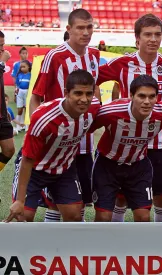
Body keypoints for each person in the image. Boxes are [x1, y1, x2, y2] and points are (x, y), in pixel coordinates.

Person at [97, 14, 162, 223]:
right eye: (147, 34)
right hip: (124, 142)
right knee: (119, 199)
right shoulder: (122, 63)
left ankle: (158, 247)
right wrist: (99, 106)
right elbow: (91, 79)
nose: (153, 39)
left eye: (157, 35)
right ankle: (117, 245)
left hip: (156, 143)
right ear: (137, 39)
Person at [90, 75, 162, 222]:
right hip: (107, 165)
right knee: (103, 216)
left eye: (152, 97)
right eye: (141, 96)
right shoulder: (111, 111)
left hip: (138, 166)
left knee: (143, 217)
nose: (147, 102)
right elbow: (87, 124)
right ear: (131, 96)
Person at [23, 8, 99, 222]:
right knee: (56, 202)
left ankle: (72, 250)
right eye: (80, 28)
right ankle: (53, 249)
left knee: (79, 202)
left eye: (89, 27)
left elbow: (94, 93)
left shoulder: (94, 55)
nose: (85, 32)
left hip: (83, 141)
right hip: (56, 141)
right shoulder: (55, 56)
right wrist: (35, 129)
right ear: (69, 29)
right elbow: (36, 96)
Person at [5, 70, 100, 223]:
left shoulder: (94, 108)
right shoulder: (44, 118)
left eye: (89, 94)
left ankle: (61, 247)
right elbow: (28, 160)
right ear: (66, 93)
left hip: (64, 169)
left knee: (75, 216)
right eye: (78, 93)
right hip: (35, 169)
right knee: (24, 217)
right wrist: (20, 201)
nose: (84, 99)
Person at [0, 30, 15, 173]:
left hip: (1, 115)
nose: (2, 49)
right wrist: (2, 62)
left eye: (3, 45)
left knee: (9, 149)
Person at [14, 60, 31, 132]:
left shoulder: (31, 75)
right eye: (21, 67)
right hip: (20, 93)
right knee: (20, 109)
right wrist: (15, 95)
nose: (22, 68)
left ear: (29, 67)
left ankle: (26, 125)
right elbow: (17, 85)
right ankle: (18, 125)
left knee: (27, 109)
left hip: (27, 93)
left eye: (24, 67)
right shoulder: (19, 75)